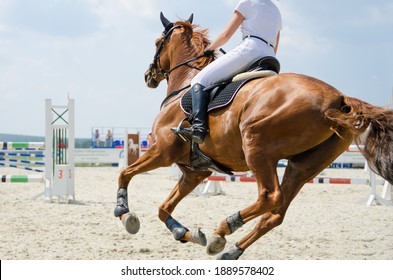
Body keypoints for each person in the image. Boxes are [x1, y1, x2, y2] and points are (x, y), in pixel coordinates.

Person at [189, 0, 282, 144]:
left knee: (199, 80)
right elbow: (275, 45)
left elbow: (226, 35)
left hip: (250, 48)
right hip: (269, 56)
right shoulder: (277, 12)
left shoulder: (247, 2)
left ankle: (199, 128)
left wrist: (209, 50)